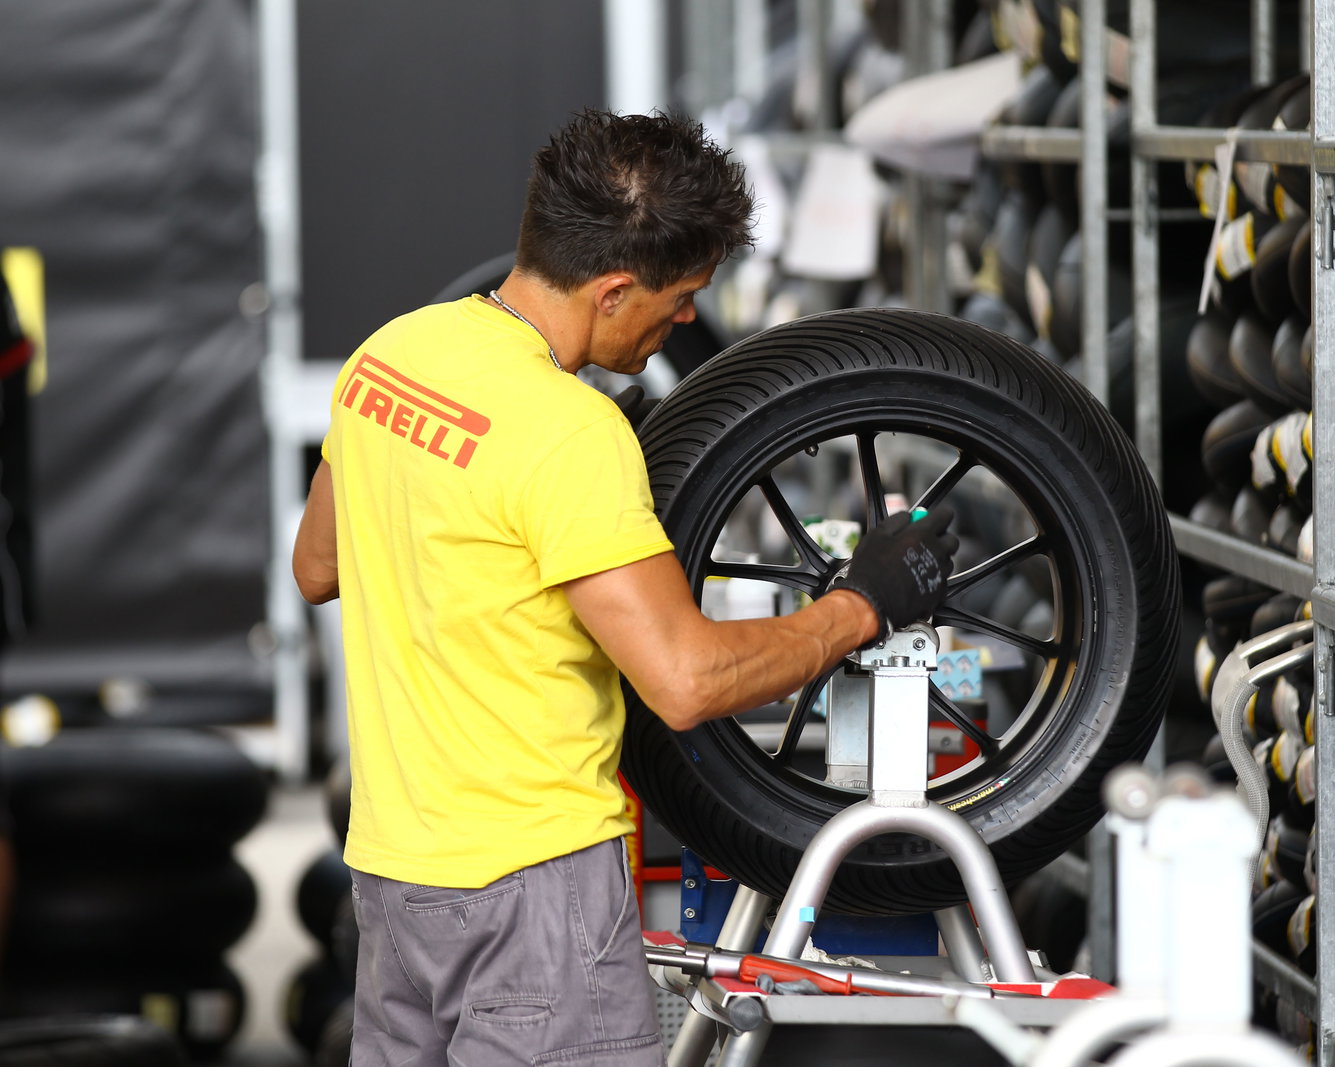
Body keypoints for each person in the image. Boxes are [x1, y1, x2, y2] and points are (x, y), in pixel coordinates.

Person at [291, 109, 959, 1067]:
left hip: (397, 880)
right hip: (532, 887)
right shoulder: (567, 433)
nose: (686, 318)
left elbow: (318, 566)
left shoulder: (390, 358)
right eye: (680, 295)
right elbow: (685, 681)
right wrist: (863, 604)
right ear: (611, 290)